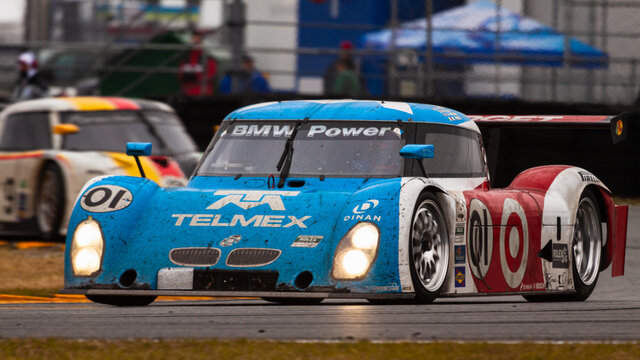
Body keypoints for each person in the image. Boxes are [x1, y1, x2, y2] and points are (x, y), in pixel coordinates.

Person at [178, 31, 218, 96]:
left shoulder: (209, 60)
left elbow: (211, 75)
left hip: (203, 94)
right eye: (193, 41)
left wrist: (195, 74)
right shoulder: (186, 59)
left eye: (197, 41)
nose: (195, 43)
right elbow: (180, 75)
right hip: (187, 94)